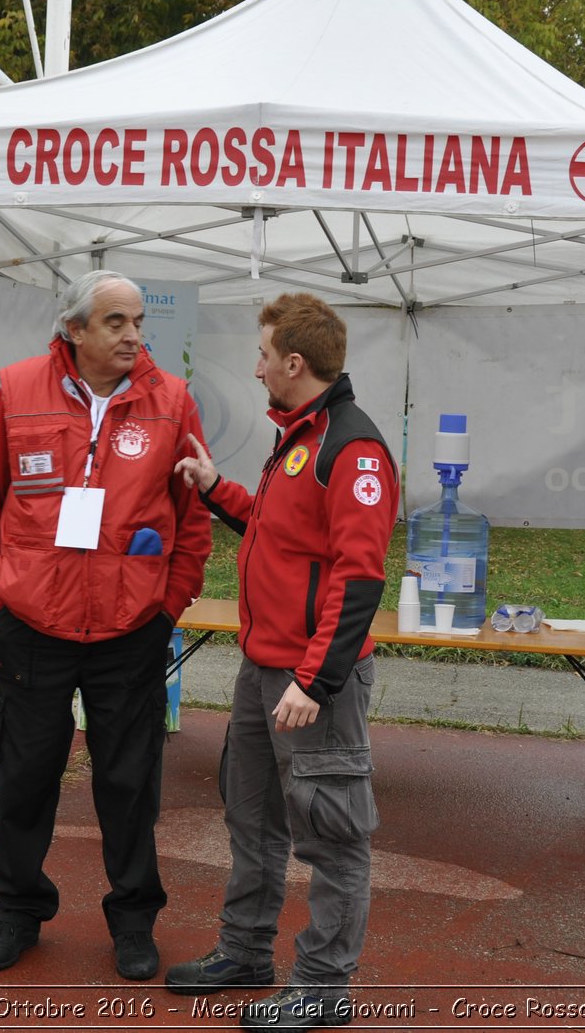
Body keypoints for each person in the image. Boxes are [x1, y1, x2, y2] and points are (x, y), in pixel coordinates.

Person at [0, 270, 213, 981]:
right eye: (115, 322)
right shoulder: (16, 390)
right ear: (74, 329)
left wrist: (169, 607)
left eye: (137, 321)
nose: (134, 335)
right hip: (31, 628)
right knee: (26, 776)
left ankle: (133, 920)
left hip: (130, 630)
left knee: (130, 786)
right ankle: (17, 910)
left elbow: (193, 524)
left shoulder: (172, 400)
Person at [167, 293, 398, 1030]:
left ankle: (324, 989)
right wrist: (214, 489)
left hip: (309, 681)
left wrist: (315, 679)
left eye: (264, 354)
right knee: (254, 819)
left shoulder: (351, 448)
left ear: (294, 363)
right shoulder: (300, 434)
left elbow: (359, 578)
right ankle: (245, 952)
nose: (255, 365)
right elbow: (278, 534)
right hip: (264, 669)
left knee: (332, 838)